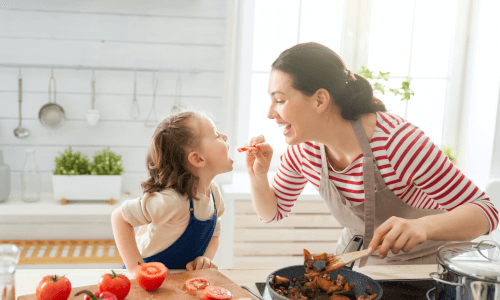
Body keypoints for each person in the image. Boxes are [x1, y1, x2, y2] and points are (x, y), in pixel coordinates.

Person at [245, 42, 498, 266]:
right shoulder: (304, 152)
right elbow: (272, 212)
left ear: (320, 100)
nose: (270, 113)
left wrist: (424, 227)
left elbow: (487, 212)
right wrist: (258, 176)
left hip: (424, 266)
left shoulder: (397, 143)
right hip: (358, 260)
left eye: (279, 100)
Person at [111, 111, 233, 274]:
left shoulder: (214, 193)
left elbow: (214, 234)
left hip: (178, 279)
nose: (225, 137)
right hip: (146, 279)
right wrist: (136, 269)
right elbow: (119, 217)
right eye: (217, 135)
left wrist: (205, 260)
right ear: (197, 159)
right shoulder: (173, 201)